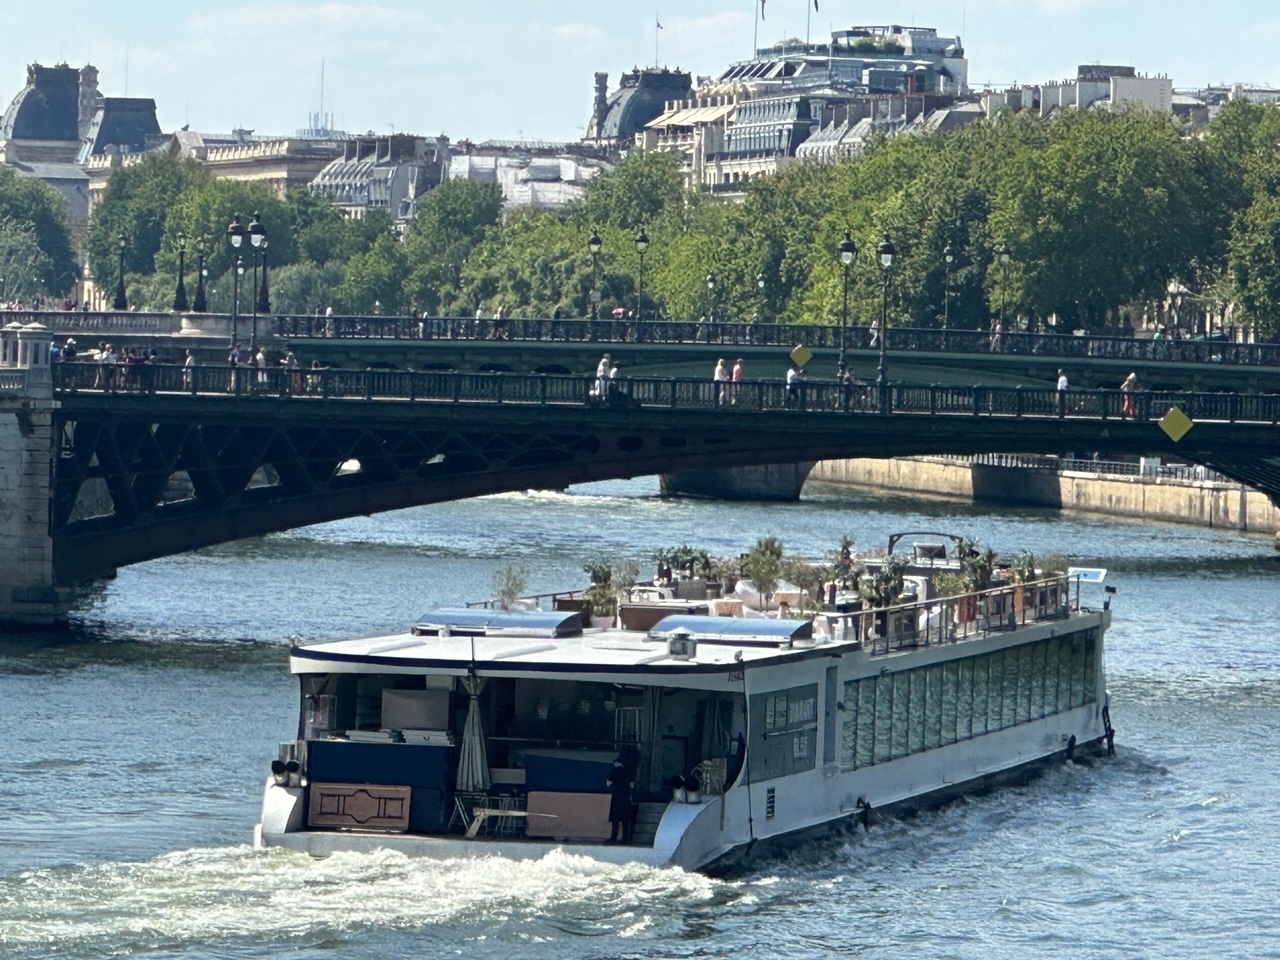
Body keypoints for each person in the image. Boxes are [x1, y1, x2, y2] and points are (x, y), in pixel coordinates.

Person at [606, 755, 634, 843]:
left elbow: (608, 783)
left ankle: (614, 837)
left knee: (615, 818)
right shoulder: (628, 772)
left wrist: (614, 787)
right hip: (625, 797)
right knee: (625, 819)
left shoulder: (613, 771)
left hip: (616, 797)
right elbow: (632, 785)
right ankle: (626, 838)